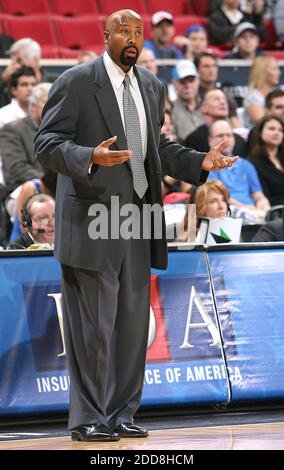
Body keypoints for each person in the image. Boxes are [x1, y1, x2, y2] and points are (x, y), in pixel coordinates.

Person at [34, 9, 237, 442]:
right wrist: (89, 156)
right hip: (92, 218)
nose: (132, 37)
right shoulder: (76, 81)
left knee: (131, 327)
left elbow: (157, 146)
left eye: (138, 31)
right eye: (123, 30)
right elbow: (46, 144)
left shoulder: (150, 84)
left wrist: (199, 162)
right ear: (104, 35)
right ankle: (88, 418)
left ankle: (122, 413)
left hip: (139, 217)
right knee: (93, 329)